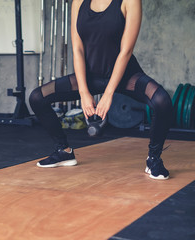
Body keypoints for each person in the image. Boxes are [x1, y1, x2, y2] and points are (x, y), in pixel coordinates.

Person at [29, 0, 172, 180]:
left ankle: (153, 159)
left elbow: (125, 51)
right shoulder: (78, 2)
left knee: (162, 101)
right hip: (91, 76)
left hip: (124, 76)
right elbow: (77, 49)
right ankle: (63, 151)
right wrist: (83, 92)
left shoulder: (130, 1)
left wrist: (109, 93)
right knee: (37, 97)